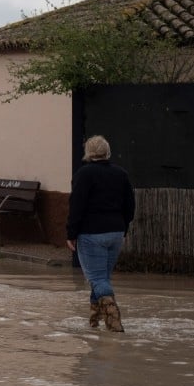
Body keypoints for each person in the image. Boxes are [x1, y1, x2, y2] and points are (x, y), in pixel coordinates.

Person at [65, 135, 135, 333]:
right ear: (107, 152)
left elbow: (76, 206)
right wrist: (123, 228)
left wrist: (71, 233)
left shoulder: (84, 174)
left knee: (97, 279)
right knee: (102, 278)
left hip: (91, 233)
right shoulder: (121, 174)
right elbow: (130, 205)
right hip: (115, 232)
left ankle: (112, 316)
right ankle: (94, 322)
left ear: (88, 152)